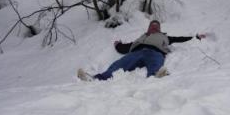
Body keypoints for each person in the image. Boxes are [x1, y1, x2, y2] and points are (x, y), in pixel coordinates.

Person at [78, 20, 206, 81]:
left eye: (156, 26)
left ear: (159, 29)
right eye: (152, 26)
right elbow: (126, 47)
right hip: (136, 53)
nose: (154, 28)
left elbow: (180, 38)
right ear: (149, 28)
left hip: (155, 52)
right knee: (119, 64)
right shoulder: (141, 38)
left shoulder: (165, 37)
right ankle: (97, 79)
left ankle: (156, 75)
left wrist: (195, 37)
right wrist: (118, 45)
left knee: (155, 61)